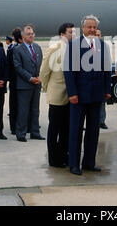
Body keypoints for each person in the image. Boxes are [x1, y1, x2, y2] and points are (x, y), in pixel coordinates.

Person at [64, 15, 112, 175]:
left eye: (94, 27)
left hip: (97, 95)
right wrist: (72, 93)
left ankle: (89, 163)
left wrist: (107, 90)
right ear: (82, 28)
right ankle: (74, 164)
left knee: (93, 131)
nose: (91, 30)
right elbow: (68, 71)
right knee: (75, 131)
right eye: (89, 27)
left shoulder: (102, 45)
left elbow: (106, 70)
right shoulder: (74, 45)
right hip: (78, 96)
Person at [40, 22, 75, 167]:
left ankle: (64, 155)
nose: (73, 35)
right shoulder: (54, 49)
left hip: (71, 96)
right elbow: (44, 72)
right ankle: (54, 159)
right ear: (62, 35)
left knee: (66, 129)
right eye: (70, 32)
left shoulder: (74, 49)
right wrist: (48, 88)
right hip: (57, 95)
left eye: (74, 32)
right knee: (54, 128)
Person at [13, 24, 44, 141]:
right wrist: (30, 78)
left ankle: (35, 132)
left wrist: (39, 76)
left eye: (32, 34)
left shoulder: (37, 47)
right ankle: (21, 133)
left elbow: (40, 63)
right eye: (28, 34)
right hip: (25, 84)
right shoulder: (17, 50)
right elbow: (18, 67)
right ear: (23, 36)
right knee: (23, 110)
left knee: (35, 109)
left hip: (36, 84)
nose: (31, 36)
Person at [7, 27, 22, 135]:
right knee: (14, 105)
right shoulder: (13, 50)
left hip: (17, 81)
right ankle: (14, 127)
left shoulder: (12, 48)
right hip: (16, 81)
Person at [96, 29, 108, 129]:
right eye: (96, 35)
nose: (97, 37)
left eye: (99, 35)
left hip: (101, 80)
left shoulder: (104, 47)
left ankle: (101, 121)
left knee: (102, 103)